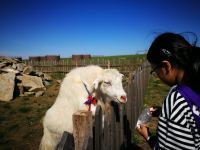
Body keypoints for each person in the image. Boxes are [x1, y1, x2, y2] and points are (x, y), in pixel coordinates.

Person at [136, 32, 200, 149]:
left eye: (155, 70)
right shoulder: (195, 86)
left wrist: (148, 136)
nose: (156, 75)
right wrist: (164, 113)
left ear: (166, 66)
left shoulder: (177, 100)